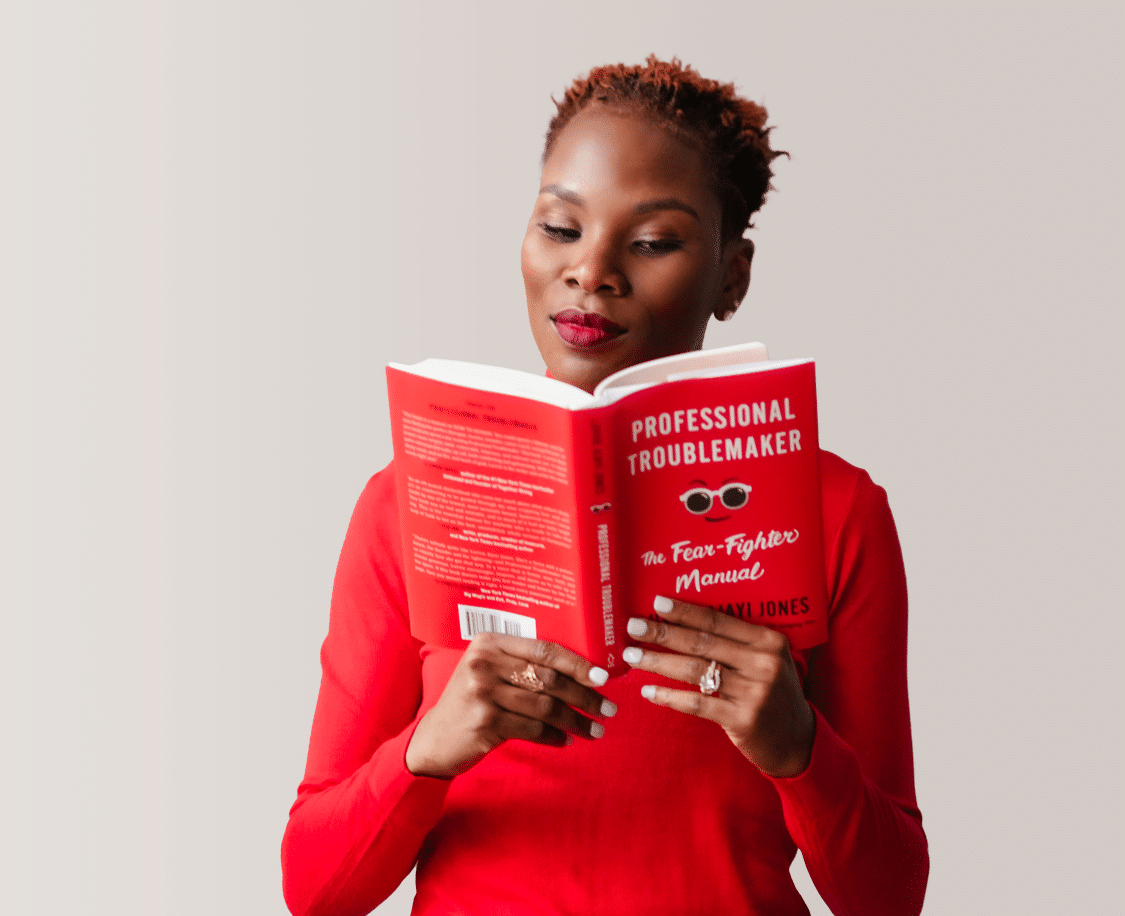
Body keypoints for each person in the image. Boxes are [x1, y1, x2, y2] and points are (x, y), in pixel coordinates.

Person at [281, 58, 928, 915]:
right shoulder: (407, 501)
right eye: (559, 227)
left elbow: (889, 897)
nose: (593, 271)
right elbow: (314, 889)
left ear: (732, 275)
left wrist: (798, 748)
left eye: (653, 241)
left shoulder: (836, 513)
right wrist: (426, 752)